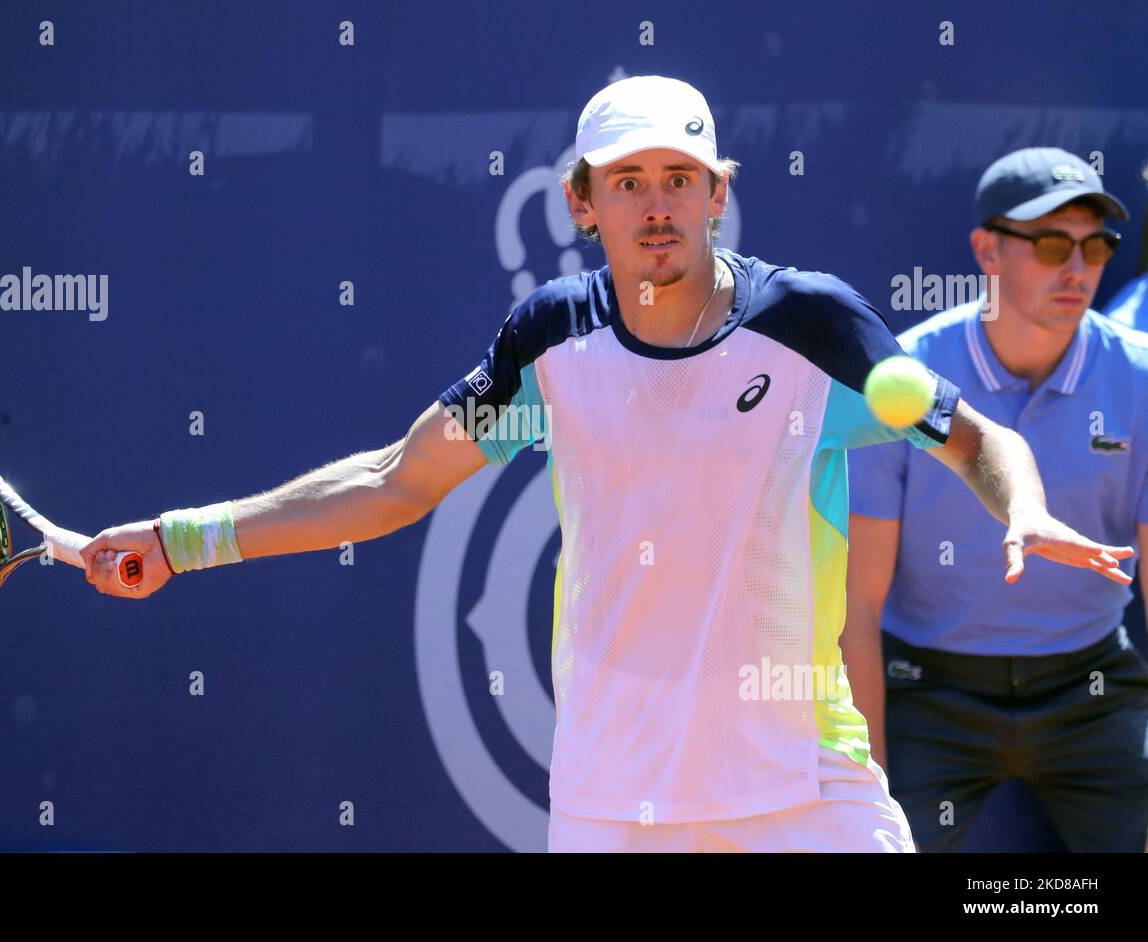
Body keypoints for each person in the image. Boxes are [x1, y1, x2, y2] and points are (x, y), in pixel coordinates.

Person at [80, 79, 1135, 853]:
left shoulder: (810, 322)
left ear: (717, 193)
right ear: (583, 201)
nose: (657, 206)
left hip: (806, 788)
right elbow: (395, 482)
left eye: (680, 179)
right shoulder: (547, 341)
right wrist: (184, 541)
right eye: (628, 183)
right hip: (612, 801)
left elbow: (972, 437)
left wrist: (1023, 506)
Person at [845, 148, 1148, 852]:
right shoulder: (909, 382)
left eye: (1095, 246)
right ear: (987, 250)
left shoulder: (1139, 378)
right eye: (1049, 244)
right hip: (929, 691)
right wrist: (871, 794)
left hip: (1094, 685)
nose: (1077, 268)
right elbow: (856, 609)